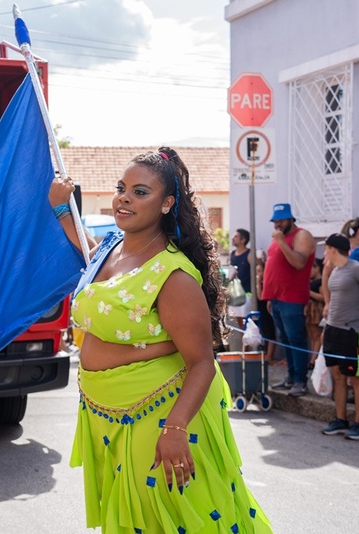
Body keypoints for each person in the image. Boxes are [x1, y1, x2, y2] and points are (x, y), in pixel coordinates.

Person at [51, 147, 271, 533]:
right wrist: (60, 207)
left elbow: (202, 361)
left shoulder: (174, 275)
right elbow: (83, 244)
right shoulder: (110, 251)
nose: (124, 198)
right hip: (108, 418)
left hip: (156, 417)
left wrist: (175, 429)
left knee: (165, 519)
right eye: (122, 188)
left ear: (167, 203)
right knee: (135, 518)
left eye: (140, 192)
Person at [319, 234, 359, 440]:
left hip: (352, 331)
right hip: (333, 330)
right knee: (338, 376)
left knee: (356, 377)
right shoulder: (335, 270)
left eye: (325, 248)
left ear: (333, 249)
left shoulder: (357, 269)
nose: (323, 253)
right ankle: (340, 419)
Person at [262, 203, 316, 396]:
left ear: (291, 219)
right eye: (275, 220)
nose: (277, 224)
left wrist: (282, 242)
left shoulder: (302, 236)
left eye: (281, 220)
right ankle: (291, 377)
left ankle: (301, 381)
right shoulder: (280, 237)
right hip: (277, 298)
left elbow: (299, 263)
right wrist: (270, 297)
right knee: (285, 339)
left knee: (296, 338)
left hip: (292, 297)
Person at [228, 228, 252, 328]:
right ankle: (243, 342)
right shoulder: (232, 254)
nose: (233, 238)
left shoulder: (249, 254)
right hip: (235, 294)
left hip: (247, 294)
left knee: (247, 321)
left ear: (243, 240)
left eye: (236, 236)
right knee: (239, 321)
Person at [305, 257, 324, 367]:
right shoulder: (312, 281)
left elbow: (323, 297)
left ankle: (314, 360)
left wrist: (309, 293)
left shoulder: (320, 282)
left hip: (316, 309)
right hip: (310, 309)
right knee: (312, 335)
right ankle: (312, 357)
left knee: (317, 335)